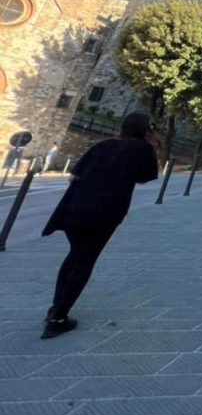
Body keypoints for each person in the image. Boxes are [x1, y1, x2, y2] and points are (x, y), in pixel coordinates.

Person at [41, 113, 159, 338]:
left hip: (75, 209)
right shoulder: (142, 150)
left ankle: (55, 307)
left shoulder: (103, 145)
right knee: (85, 261)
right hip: (105, 212)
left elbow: (73, 175)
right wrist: (151, 147)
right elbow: (146, 177)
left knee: (74, 255)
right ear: (145, 129)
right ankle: (58, 318)